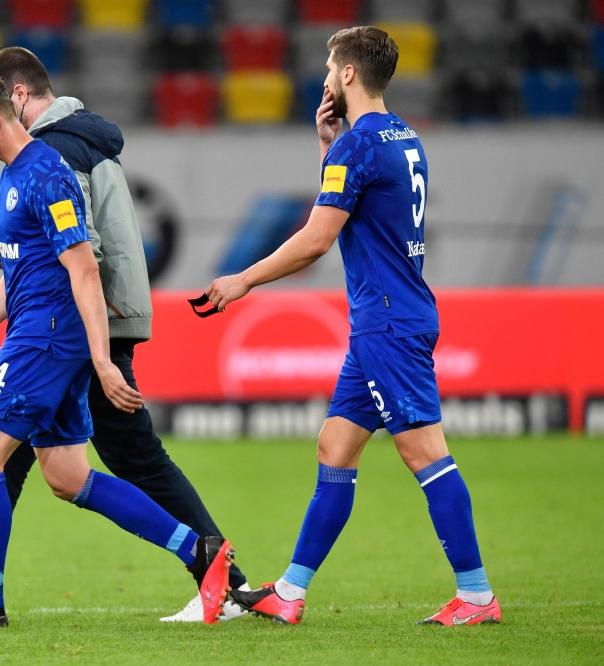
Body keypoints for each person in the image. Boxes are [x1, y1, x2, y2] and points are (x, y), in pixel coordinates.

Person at [0, 47, 249, 624]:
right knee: (67, 477)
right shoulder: (17, 173)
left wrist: (102, 359)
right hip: (44, 334)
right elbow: (28, 267)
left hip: (44, 339)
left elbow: (85, 268)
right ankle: (200, 552)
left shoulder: (47, 171)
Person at [205, 26, 500, 627]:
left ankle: (476, 597)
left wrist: (244, 280)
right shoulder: (401, 136)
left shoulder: (358, 146)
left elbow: (318, 238)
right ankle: (290, 592)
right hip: (386, 319)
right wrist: (326, 146)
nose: (323, 78)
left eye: (328, 68)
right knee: (335, 447)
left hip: (388, 322)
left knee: (426, 453)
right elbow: (349, 207)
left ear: (347, 74)